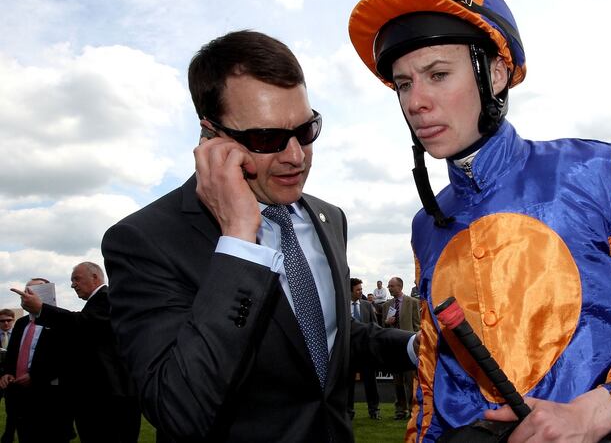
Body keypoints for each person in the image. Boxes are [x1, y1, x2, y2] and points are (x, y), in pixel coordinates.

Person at [348, 0, 611, 440]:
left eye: (438, 75)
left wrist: (600, 410)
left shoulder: (596, 171)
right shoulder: (427, 223)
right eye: (403, 84)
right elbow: (435, 382)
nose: (417, 101)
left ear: (495, 73)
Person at [101, 30, 416, 442]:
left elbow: (325, 336)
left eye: (306, 130)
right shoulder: (145, 240)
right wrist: (238, 241)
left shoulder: (329, 218)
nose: (295, 157)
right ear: (212, 135)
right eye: (267, 138)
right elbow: (178, 409)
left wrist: (416, 347)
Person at [15, 262, 140, 443]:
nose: (73, 284)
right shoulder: (97, 303)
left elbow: (82, 322)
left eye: (76, 279)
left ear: (95, 277)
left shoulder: (108, 297)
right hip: (104, 397)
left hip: (107, 399)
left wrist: (42, 309)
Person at [3, 279, 73, 443]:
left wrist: (36, 376)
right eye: (28, 290)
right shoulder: (20, 323)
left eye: (38, 289)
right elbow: (12, 353)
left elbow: (66, 358)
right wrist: (7, 372)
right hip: (21, 397)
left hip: (50, 399)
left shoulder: (61, 321)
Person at [381, 277, 420, 420]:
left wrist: (416, 345)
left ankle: (412, 409)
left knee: (410, 381)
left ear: (400, 287)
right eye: (388, 286)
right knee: (397, 382)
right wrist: (386, 322)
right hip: (393, 348)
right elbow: (382, 329)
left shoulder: (413, 303)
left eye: (391, 286)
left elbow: (417, 326)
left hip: (409, 348)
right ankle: (400, 410)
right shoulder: (386, 306)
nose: (389, 288)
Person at [347, 278, 382, 420]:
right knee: (348, 384)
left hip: (366, 352)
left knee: (370, 382)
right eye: (358, 290)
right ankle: (348, 412)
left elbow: (375, 326)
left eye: (361, 289)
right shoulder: (342, 305)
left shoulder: (367, 306)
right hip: (349, 352)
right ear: (350, 291)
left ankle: (374, 410)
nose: (361, 291)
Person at [0, 309, 15, 443]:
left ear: (13, 320)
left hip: (12, 379)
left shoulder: (18, 334)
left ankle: (8, 436)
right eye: (2, 321)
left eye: (8, 320)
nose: (5, 323)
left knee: (12, 411)